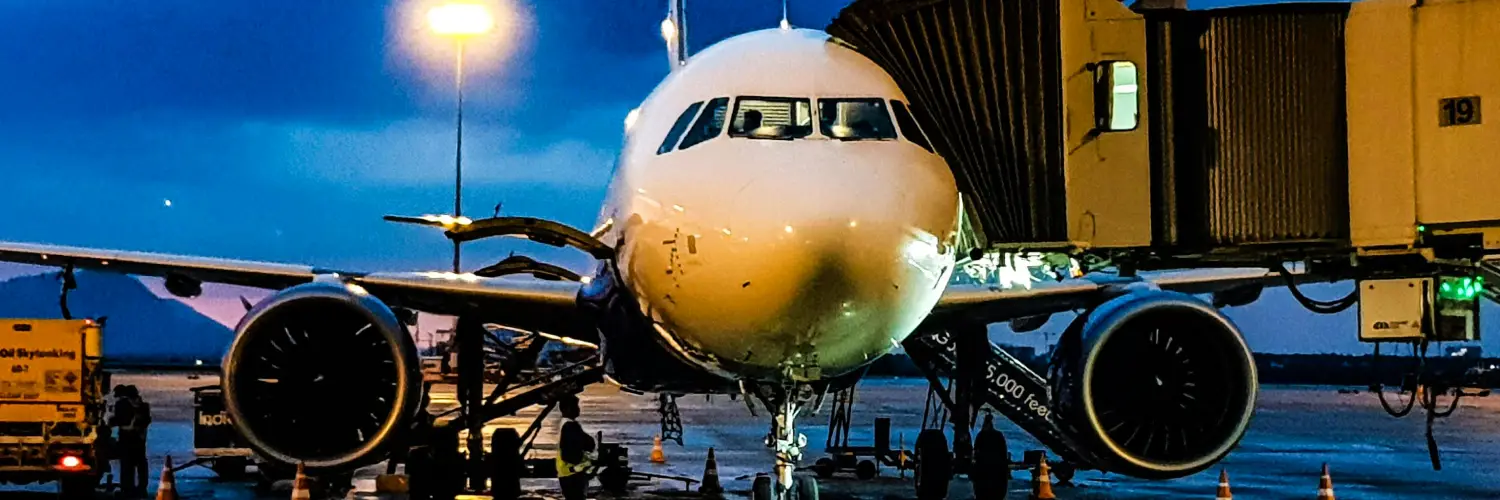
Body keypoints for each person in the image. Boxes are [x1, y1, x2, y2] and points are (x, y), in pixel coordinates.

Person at [555, 395, 595, 500]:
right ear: (568, 409)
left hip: (565, 473)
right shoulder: (570, 426)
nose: (578, 409)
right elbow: (587, 444)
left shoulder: (564, 424)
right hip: (572, 473)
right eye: (576, 406)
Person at [115, 385, 151, 497]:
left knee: (127, 465)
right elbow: (146, 420)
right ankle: (141, 488)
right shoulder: (144, 406)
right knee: (141, 465)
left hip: (126, 438)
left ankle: (127, 489)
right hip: (139, 438)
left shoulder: (121, 405)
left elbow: (118, 420)